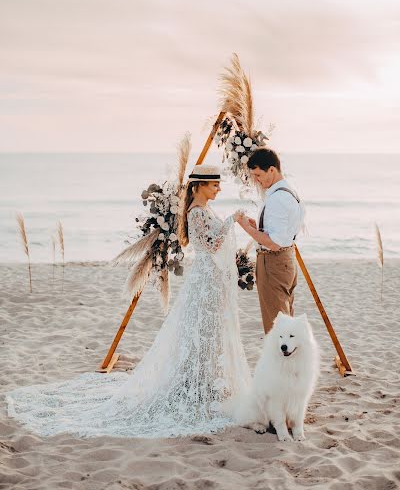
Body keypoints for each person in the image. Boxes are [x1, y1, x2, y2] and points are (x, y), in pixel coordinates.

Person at [6, 164, 251, 438]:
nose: (218, 189)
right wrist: (233, 220)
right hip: (205, 280)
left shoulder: (205, 210)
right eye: (214, 184)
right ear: (200, 186)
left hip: (211, 280)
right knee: (200, 328)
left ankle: (206, 380)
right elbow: (213, 245)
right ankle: (195, 383)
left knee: (209, 330)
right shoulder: (195, 213)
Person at [236, 148, 305, 335]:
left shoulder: (278, 198)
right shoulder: (290, 192)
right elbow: (282, 235)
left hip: (273, 262)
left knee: (277, 327)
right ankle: (289, 363)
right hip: (286, 259)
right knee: (286, 322)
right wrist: (258, 228)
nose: (257, 180)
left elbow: (274, 243)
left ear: (272, 170)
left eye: (258, 174)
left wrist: (247, 228)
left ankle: (282, 363)